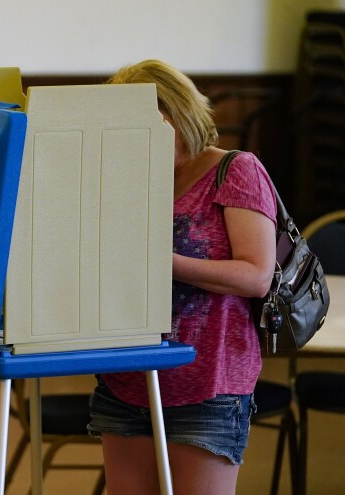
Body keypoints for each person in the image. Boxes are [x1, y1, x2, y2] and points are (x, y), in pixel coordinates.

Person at [86, 59, 278, 494]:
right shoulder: (128, 179)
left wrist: (161, 260)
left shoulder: (236, 170)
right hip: (128, 380)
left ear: (181, 115)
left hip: (208, 388)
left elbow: (255, 276)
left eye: (154, 126)